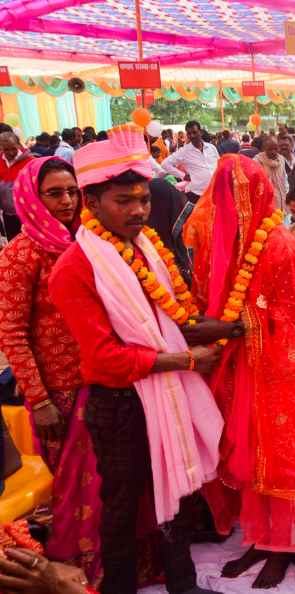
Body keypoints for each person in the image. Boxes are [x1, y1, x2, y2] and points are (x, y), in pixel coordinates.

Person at [48, 124, 224, 594]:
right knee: (122, 507)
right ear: (94, 203)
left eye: (142, 199)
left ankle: (182, 585)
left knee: (179, 493)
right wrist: (186, 362)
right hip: (119, 405)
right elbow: (105, 359)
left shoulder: (146, 249)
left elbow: (171, 316)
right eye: (123, 201)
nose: (138, 210)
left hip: (162, 394)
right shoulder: (75, 268)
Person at [183, 155, 295, 589]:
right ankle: (261, 538)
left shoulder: (279, 243)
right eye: (224, 196)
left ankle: (287, 547)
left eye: (238, 196)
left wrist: (239, 325)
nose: (230, 206)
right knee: (249, 457)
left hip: (282, 366)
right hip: (239, 365)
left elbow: (294, 314)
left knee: (282, 458)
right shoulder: (219, 240)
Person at [0, 157, 101, 581]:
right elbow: (12, 333)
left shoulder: (86, 241)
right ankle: (77, 572)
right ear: (30, 198)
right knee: (74, 490)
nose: (67, 201)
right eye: (55, 193)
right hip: (58, 393)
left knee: (108, 481)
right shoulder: (21, 254)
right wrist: (39, 400)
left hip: (100, 380)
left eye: (72, 192)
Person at [162, 120, 219, 202]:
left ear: (201, 132)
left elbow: (219, 164)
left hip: (216, 192)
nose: (192, 135)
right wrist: (183, 176)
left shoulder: (211, 148)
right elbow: (165, 164)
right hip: (198, 195)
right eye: (189, 133)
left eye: (194, 132)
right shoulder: (184, 151)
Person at [0, 131, 32, 239]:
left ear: (18, 145)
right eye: (6, 149)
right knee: (13, 241)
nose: (10, 152)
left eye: (13, 148)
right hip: (8, 214)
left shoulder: (30, 161)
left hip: (27, 213)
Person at [253, 135, 289, 211]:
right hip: (266, 202)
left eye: (275, 149)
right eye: (270, 149)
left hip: (281, 201)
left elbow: (284, 179)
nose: (273, 152)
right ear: (264, 148)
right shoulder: (257, 161)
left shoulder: (282, 159)